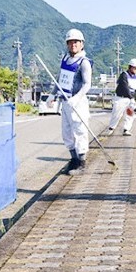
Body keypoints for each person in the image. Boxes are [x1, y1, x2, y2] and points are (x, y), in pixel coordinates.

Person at [47, 28, 93, 175]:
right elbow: (59, 80)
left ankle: (82, 162)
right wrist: (52, 95)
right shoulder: (65, 60)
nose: (73, 44)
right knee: (67, 132)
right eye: (70, 42)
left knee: (80, 131)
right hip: (65, 102)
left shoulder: (84, 62)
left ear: (82, 44)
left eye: (76, 42)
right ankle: (73, 159)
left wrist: (77, 98)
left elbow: (87, 84)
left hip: (78, 103)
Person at [107, 58, 136, 136]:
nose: (135, 69)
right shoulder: (124, 75)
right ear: (130, 67)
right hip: (121, 98)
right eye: (134, 67)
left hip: (131, 98)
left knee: (130, 114)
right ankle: (111, 128)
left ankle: (126, 129)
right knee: (117, 114)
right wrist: (131, 98)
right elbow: (125, 87)